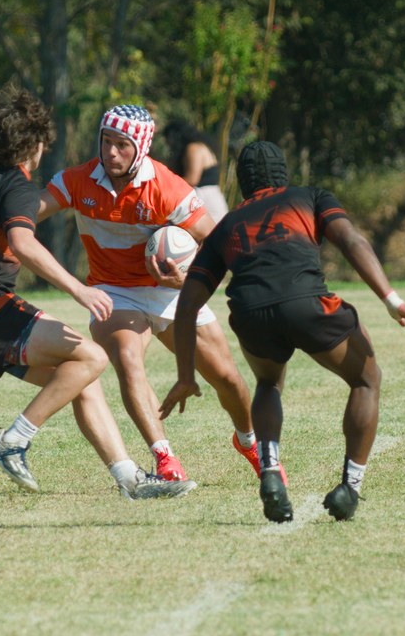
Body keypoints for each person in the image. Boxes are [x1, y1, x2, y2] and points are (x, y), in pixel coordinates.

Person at [0, 83, 192, 500]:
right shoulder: (19, 188)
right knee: (92, 356)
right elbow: (23, 243)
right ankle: (13, 441)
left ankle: (130, 481)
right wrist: (80, 289)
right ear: (36, 145)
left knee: (81, 377)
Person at [161, 141, 405, 523]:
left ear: (242, 181)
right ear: (283, 172)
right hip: (308, 304)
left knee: (268, 384)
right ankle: (350, 487)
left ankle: (270, 468)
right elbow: (352, 240)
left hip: (250, 312)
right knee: (366, 378)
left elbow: (188, 302)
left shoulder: (226, 225)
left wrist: (186, 376)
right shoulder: (310, 197)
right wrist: (391, 298)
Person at [39, 104, 285, 487]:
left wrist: (190, 280)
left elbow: (219, 243)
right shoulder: (76, 180)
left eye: (122, 145)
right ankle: (164, 458)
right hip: (113, 290)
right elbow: (27, 216)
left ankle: (250, 443)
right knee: (126, 356)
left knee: (227, 378)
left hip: (170, 292)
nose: (111, 153)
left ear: (141, 147)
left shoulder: (169, 188)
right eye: (106, 142)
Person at [163, 119, 229, 223]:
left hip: (207, 202)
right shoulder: (197, 146)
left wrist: (165, 186)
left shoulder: (193, 148)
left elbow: (192, 179)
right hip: (206, 200)